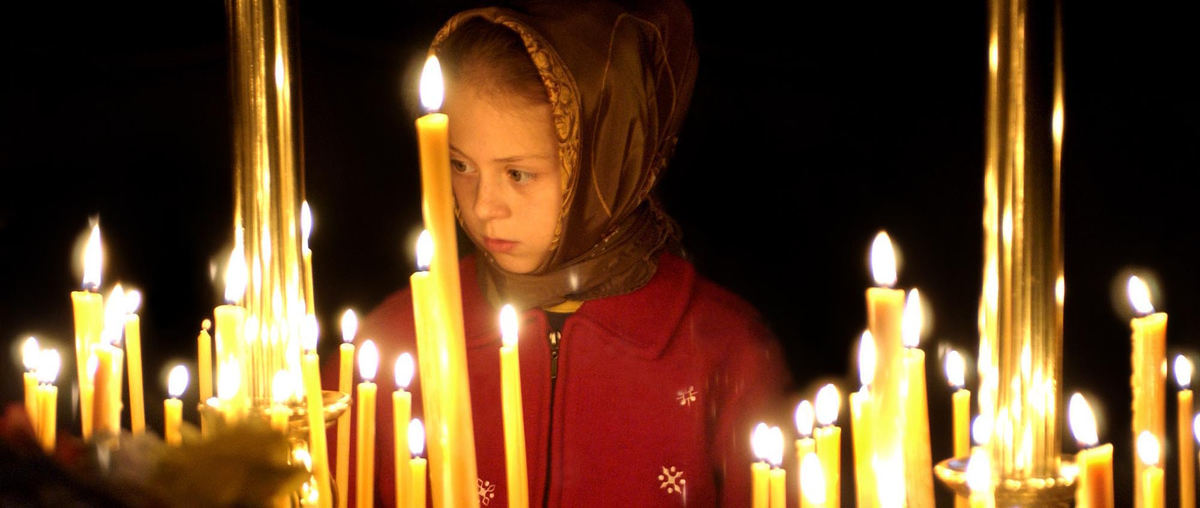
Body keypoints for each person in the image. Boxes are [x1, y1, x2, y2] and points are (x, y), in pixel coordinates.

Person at [333, 1, 792, 505]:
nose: (484, 206)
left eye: (518, 174)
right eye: (461, 165)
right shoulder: (398, 342)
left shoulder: (724, 353)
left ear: (608, 161)